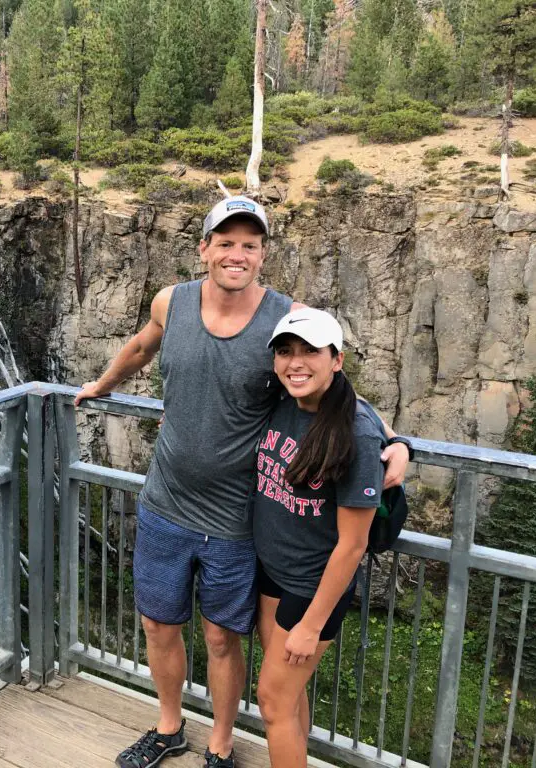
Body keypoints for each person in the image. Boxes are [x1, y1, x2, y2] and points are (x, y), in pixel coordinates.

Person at [74, 196, 409, 768]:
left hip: (234, 519)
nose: (237, 254)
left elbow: (330, 382)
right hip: (164, 503)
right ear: (203, 249)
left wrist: (397, 439)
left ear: (262, 254)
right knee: (158, 625)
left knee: (223, 638)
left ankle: (221, 743)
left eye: (249, 245)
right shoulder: (171, 302)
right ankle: (169, 726)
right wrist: (101, 385)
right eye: (224, 242)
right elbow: (139, 346)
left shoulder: (282, 318)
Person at [253, 307, 402, 767]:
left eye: (310, 352)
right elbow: (393, 434)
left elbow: (353, 546)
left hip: (312, 587)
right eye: (285, 352)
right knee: (288, 699)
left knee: (272, 702)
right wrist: (404, 444)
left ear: (336, 360)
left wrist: (312, 624)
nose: (295, 362)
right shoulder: (283, 401)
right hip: (274, 571)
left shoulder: (353, 430)